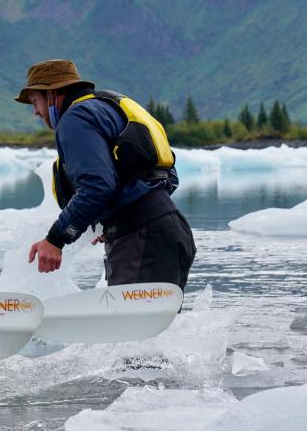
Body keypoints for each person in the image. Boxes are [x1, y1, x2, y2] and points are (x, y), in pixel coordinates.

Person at [16, 59, 195, 288]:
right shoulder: (105, 108)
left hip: (141, 240)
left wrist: (56, 239)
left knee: (128, 323)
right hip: (170, 230)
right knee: (149, 323)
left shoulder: (75, 118)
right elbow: (166, 178)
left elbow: (97, 186)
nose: (35, 112)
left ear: (52, 95)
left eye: (35, 101)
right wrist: (114, 221)